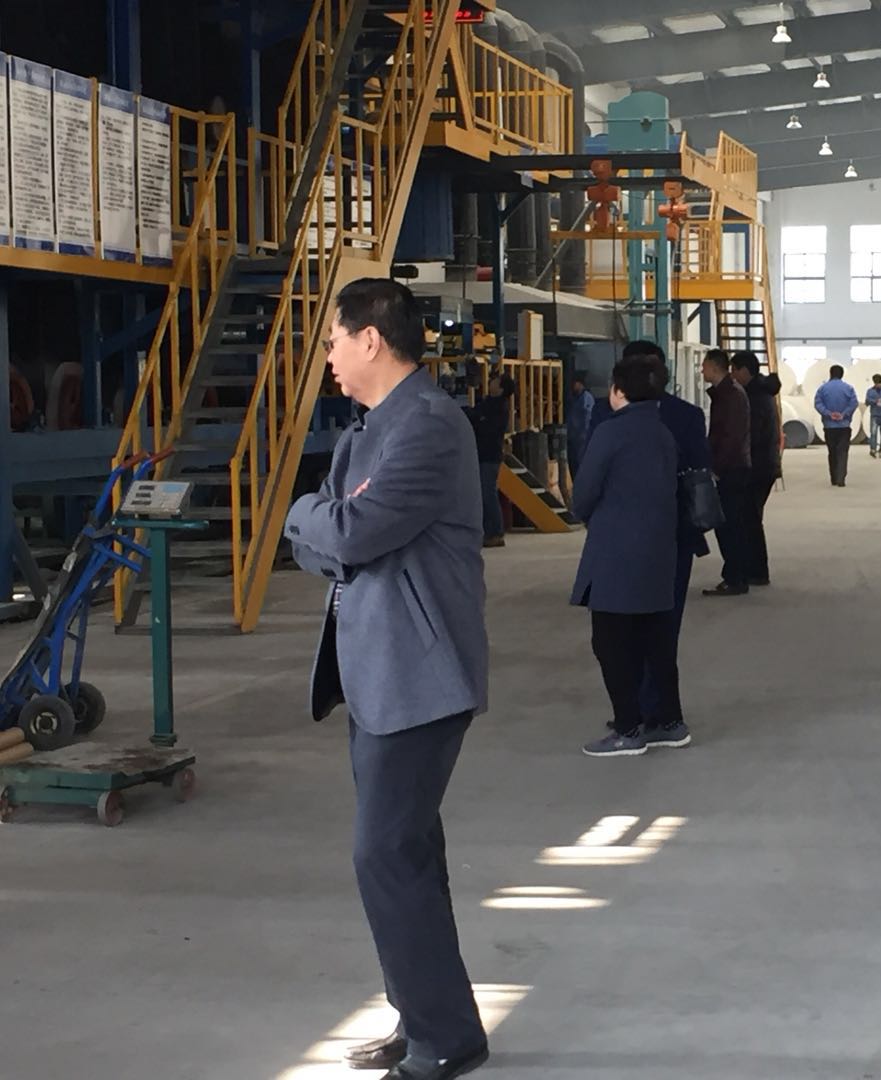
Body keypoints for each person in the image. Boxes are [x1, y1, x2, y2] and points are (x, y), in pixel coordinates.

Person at [284, 279, 490, 1080]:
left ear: (370, 338)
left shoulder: (429, 426)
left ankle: (445, 1037)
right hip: (373, 672)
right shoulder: (364, 433)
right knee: (407, 856)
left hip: (419, 675)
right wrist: (325, 521)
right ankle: (428, 1018)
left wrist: (317, 517)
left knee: (385, 855)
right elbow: (324, 542)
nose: (328, 357)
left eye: (333, 341)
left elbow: (351, 530)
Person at [591, 340, 710, 749]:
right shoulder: (687, 416)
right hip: (674, 538)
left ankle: (633, 718)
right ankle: (661, 715)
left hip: (621, 542)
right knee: (662, 629)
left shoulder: (608, 417)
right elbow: (701, 472)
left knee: (617, 633)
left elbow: (586, 476)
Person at [570, 353, 681, 757]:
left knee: (611, 642)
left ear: (618, 391)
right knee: (655, 640)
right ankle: (669, 722)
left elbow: (584, 493)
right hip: (659, 550)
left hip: (616, 553)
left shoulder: (611, 433)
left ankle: (628, 728)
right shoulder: (663, 432)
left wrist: (588, 514)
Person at [701, 348, 752, 597]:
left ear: (714, 366)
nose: (701, 370)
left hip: (731, 469)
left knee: (729, 525)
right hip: (733, 467)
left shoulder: (730, 395)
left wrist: (717, 468)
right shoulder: (727, 393)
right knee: (731, 525)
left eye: (704, 366)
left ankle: (735, 578)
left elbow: (731, 436)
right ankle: (736, 575)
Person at [730, 350, 780, 586]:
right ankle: (754, 568)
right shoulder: (759, 391)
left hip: (758, 466)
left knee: (749, 519)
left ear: (744, 371)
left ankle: (757, 570)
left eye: (734, 370)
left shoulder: (755, 396)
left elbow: (753, 434)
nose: (732, 375)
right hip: (764, 464)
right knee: (750, 518)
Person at [466, 366, 515, 549]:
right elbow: (476, 415)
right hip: (483, 453)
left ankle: (495, 532)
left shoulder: (498, 407)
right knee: (484, 494)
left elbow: (483, 423)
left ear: (500, 389)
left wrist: (478, 419)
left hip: (489, 455)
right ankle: (489, 531)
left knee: (488, 494)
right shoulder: (489, 403)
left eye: (495, 381)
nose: (491, 381)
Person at [814, 364, 859, 486]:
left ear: (830, 374)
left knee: (832, 452)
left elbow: (818, 404)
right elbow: (854, 403)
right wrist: (844, 414)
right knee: (842, 452)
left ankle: (833, 478)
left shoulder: (822, 389)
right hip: (844, 426)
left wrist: (828, 414)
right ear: (842, 374)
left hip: (829, 426)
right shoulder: (848, 388)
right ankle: (841, 478)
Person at [567, 374, 595, 480]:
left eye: (575, 384)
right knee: (574, 462)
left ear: (580, 384)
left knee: (580, 461)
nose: (573, 386)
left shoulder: (586, 398)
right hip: (574, 436)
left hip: (581, 436)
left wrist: (584, 433)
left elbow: (587, 417)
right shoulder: (575, 398)